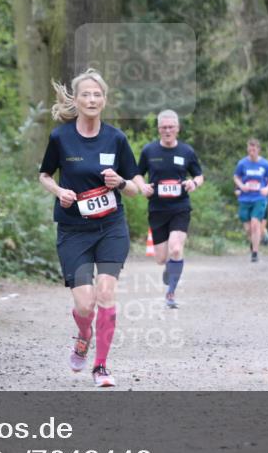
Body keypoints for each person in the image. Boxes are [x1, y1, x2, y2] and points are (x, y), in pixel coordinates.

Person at [38, 69, 140, 388]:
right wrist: (59, 192)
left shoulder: (116, 139)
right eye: (86, 94)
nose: (92, 99)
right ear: (76, 99)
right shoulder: (61, 137)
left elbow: (136, 187)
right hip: (73, 231)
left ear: (104, 100)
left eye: (97, 94)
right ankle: (84, 336)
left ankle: (101, 367)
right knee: (85, 304)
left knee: (106, 293)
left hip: (111, 228)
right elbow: (44, 175)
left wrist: (120, 182)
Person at [134, 110, 204, 309]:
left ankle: (171, 293)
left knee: (176, 248)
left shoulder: (186, 151)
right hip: (157, 209)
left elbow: (199, 175)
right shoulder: (149, 151)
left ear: (177, 129)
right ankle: (170, 267)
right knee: (161, 258)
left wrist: (193, 183)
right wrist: (142, 187)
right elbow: (137, 174)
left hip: (180, 207)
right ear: (158, 129)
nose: (167, 131)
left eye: (171, 127)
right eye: (164, 127)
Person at [233, 138, 268, 262]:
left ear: (258, 150)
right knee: (249, 229)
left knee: (255, 224)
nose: (251, 152)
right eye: (249, 150)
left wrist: (267, 188)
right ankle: (255, 241)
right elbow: (236, 177)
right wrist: (241, 186)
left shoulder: (265, 164)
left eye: (254, 150)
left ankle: (255, 253)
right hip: (245, 199)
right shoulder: (242, 163)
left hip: (259, 198)